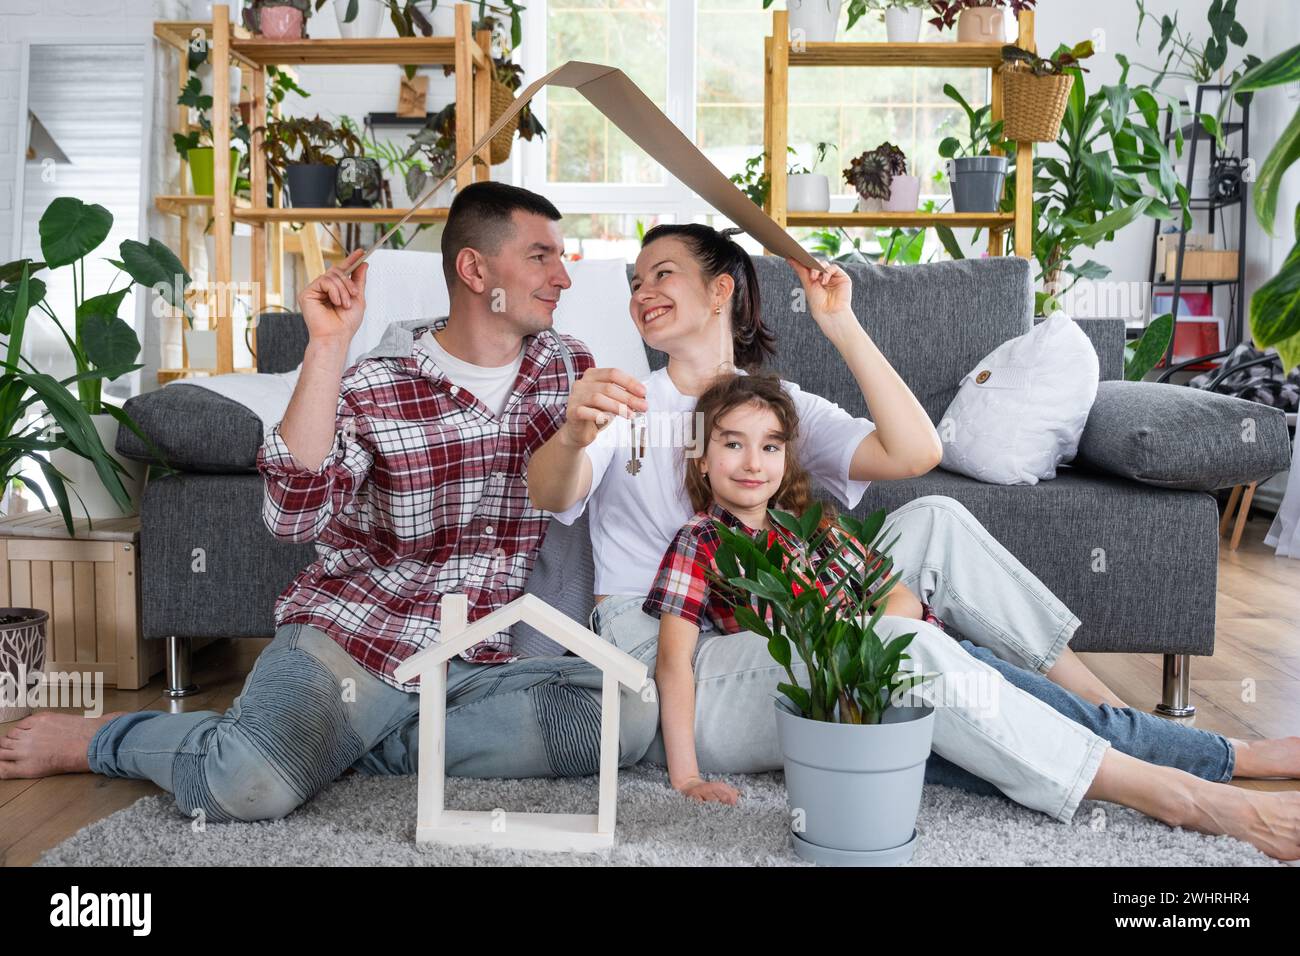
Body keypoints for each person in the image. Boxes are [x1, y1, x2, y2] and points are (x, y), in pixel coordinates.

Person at [526, 223, 1300, 860]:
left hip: (774, 625)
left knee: (936, 519)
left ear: (721, 288)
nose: (640, 294)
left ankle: (1107, 717)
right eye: (633, 281)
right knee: (901, 647)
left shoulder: (779, 407)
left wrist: (842, 324)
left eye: (660, 273)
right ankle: (1182, 790)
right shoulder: (623, 399)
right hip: (669, 651)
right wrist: (572, 429)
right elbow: (550, 492)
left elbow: (914, 454)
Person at [0, 182, 658, 821]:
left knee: (625, 716)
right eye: (542, 256)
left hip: (473, 665)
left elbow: (568, 488)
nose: (564, 278)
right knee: (246, 785)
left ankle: (352, 747)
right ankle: (107, 738)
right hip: (357, 643)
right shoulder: (375, 382)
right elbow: (290, 518)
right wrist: (326, 347)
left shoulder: (567, 365)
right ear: (475, 269)